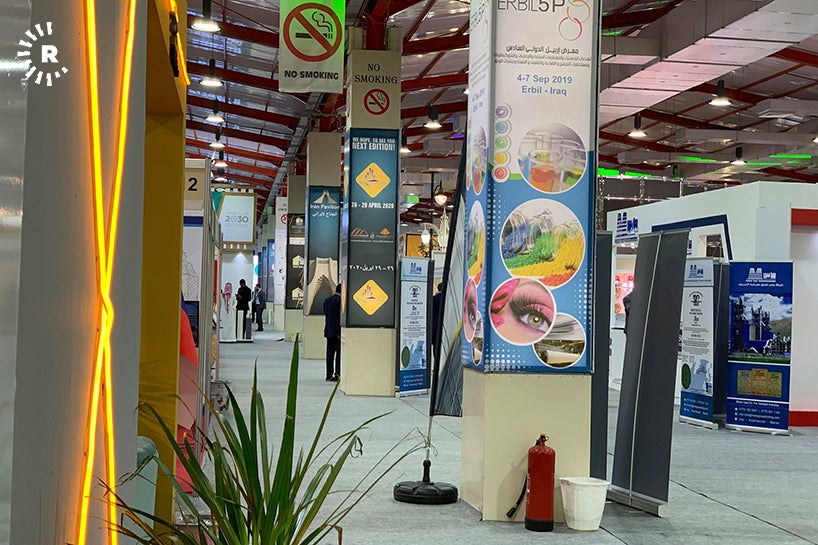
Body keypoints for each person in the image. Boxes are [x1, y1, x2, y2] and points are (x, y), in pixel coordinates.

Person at [323, 284, 342, 382]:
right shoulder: (340, 302)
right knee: (339, 354)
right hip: (337, 332)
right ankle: (338, 374)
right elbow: (338, 319)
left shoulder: (327, 300)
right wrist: (339, 332)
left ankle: (329, 375)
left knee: (329, 354)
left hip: (328, 331)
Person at [431, 282, 444, 353]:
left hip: (434, 325)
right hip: (444, 325)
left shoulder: (434, 299)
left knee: (435, 344)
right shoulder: (446, 299)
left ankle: (436, 356)